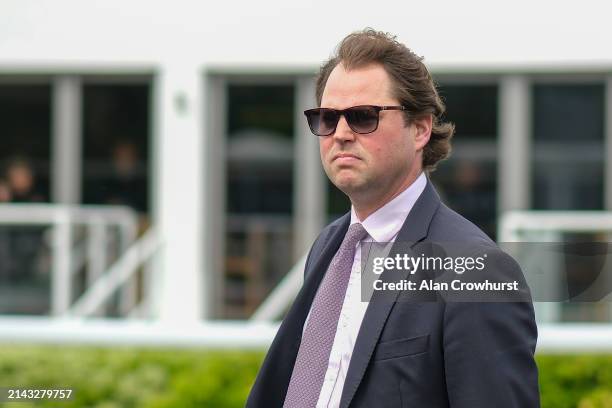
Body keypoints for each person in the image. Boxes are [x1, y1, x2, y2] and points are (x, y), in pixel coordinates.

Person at [247, 29, 539, 408]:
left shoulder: (474, 269)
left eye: (363, 116)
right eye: (327, 118)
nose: (341, 134)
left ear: (420, 128)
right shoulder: (330, 246)